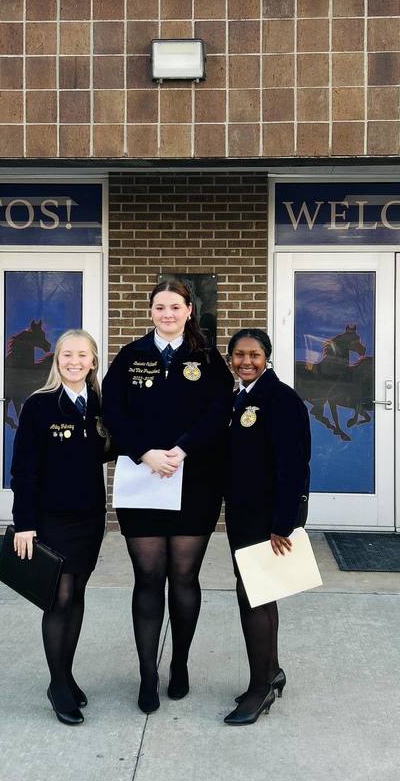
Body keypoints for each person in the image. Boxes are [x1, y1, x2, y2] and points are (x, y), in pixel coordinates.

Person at [102, 280, 233, 714]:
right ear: (151, 312)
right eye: (160, 307)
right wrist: (144, 452)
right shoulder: (130, 356)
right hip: (142, 480)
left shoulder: (209, 359)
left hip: (194, 480)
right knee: (147, 579)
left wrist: (185, 447)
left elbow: (221, 409)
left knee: (184, 579)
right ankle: (147, 675)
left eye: (175, 307)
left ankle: (178, 664)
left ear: (189, 310)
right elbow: (112, 411)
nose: (167, 314)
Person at [10, 329, 114, 726]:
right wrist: (25, 524)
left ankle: (67, 674)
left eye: (82, 355)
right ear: (57, 360)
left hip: (89, 515)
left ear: (93, 361)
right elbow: (24, 469)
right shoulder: (39, 406)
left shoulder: (100, 405)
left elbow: (122, 443)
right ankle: (57, 685)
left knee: (79, 593)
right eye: (66, 354)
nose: (74, 361)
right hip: (51, 517)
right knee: (59, 596)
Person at [223, 328, 311, 726]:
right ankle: (270, 671)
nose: (246, 362)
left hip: (266, 517)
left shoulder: (280, 399)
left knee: (256, 597)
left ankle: (259, 690)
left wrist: (283, 523)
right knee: (256, 592)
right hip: (242, 512)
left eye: (254, 355)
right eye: (239, 355)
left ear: (267, 357)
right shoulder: (238, 396)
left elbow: (293, 466)